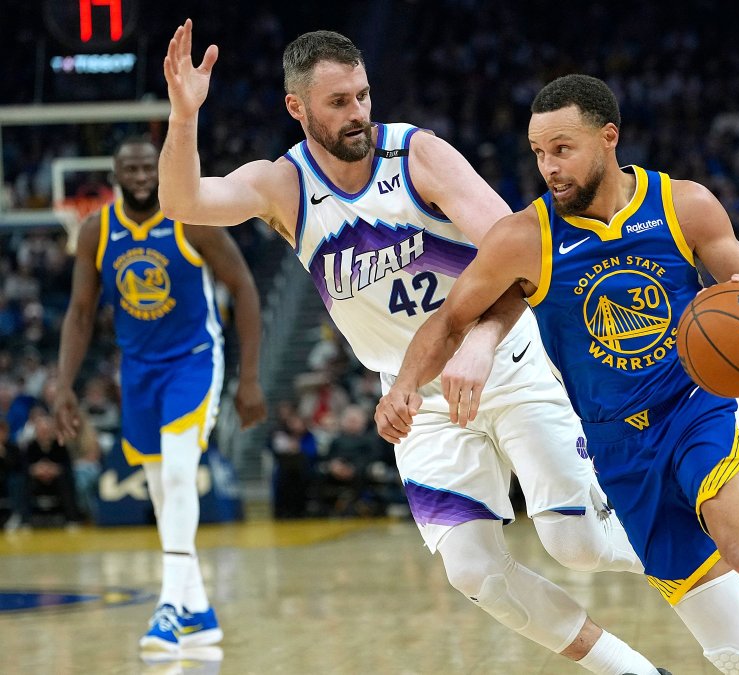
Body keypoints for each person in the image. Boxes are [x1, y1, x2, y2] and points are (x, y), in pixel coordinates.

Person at [159, 22, 662, 675]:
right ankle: (637, 672)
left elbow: (521, 248)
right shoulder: (282, 185)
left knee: (577, 542)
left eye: (363, 95)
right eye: (339, 102)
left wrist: (479, 341)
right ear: (297, 108)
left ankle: (710, 548)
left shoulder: (416, 155)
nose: (359, 113)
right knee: (474, 569)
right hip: (414, 393)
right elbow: (183, 199)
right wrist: (183, 114)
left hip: (504, 359)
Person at [381, 74, 739, 675]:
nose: (549, 167)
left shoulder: (683, 205)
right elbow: (450, 320)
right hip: (619, 445)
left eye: (562, 149)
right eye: (539, 153)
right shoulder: (525, 237)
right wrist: (405, 385)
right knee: (735, 656)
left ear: (608, 137)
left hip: (696, 409)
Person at [52, 137, 267, 651]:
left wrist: (251, 376)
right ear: (116, 174)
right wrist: (62, 384)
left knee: (176, 474)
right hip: (139, 371)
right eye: (131, 167)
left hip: (193, 362)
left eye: (149, 166)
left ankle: (169, 606)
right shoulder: (95, 230)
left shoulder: (190, 218)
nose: (142, 174)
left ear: (161, 169)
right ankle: (199, 612)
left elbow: (243, 287)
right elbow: (81, 313)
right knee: (159, 491)